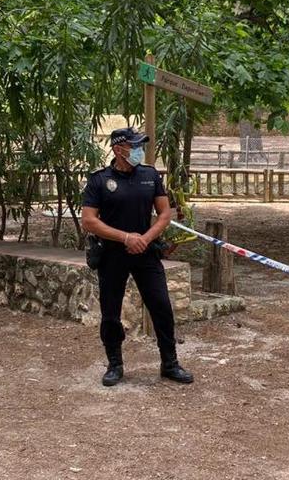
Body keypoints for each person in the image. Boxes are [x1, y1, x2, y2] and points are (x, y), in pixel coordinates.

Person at [81, 127, 194, 387]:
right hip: (112, 255)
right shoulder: (99, 180)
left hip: (146, 253)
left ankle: (170, 363)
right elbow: (89, 221)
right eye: (134, 146)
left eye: (140, 145)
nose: (139, 151)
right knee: (111, 313)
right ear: (119, 149)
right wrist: (126, 238)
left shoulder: (150, 175)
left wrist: (145, 238)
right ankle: (115, 364)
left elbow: (165, 213)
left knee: (162, 307)